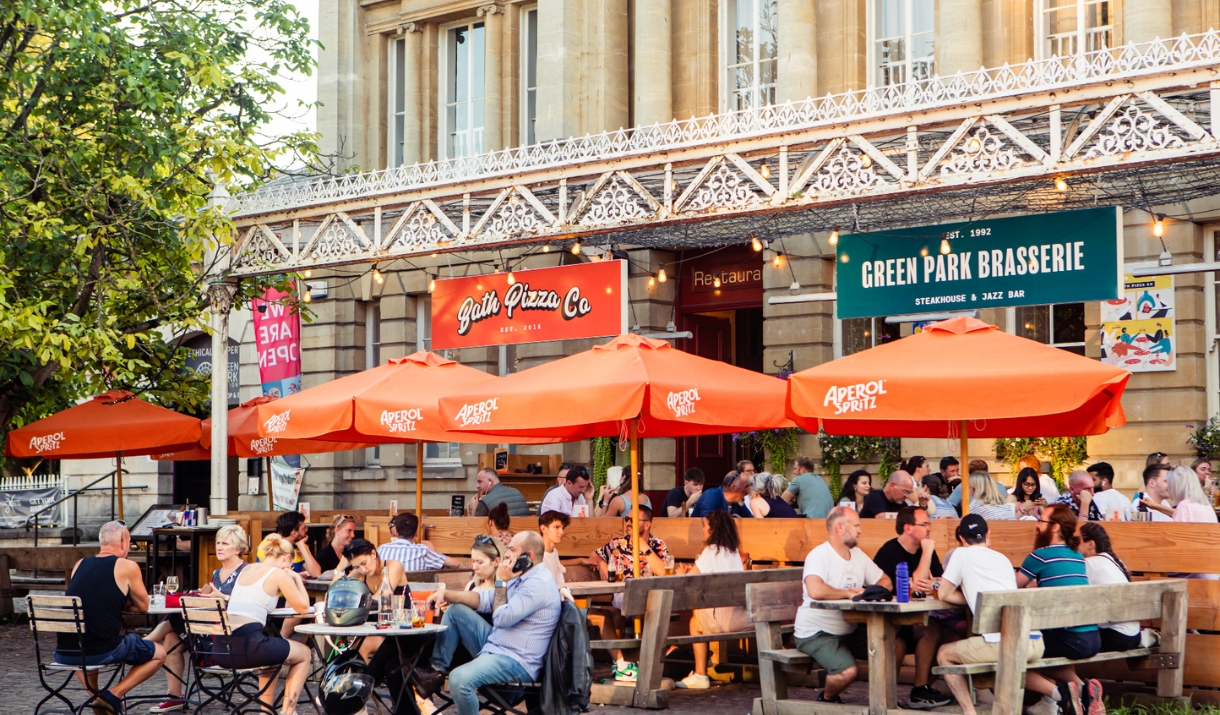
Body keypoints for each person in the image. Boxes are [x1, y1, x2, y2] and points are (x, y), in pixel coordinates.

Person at [416, 532, 562, 715]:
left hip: (517, 660)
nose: (507, 554)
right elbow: (484, 598)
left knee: (459, 680)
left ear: (529, 556)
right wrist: (446, 595)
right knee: (455, 611)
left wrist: (500, 580)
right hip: (498, 645)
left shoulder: (537, 584)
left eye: (512, 549)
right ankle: (435, 672)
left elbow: (500, 619)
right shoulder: (523, 576)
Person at [935, 515, 1061, 715]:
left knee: (944, 654)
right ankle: (1060, 693)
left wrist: (971, 597)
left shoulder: (960, 554)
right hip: (1035, 641)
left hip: (1004, 643)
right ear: (988, 535)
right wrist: (975, 597)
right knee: (1006, 662)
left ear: (962, 538)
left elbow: (943, 593)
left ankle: (970, 712)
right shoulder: (1003, 559)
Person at [52, 521, 167, 715]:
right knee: (160, 652)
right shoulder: (127, 566)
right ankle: (112, 695)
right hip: (103, 649)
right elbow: (144, 606)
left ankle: (95, 697)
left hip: (65, 651)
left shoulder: (80, 564)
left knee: (83, 642)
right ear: (123, 542)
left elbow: (91, 599)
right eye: (129, 543)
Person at [145, 524, 248, 713]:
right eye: (218, 542)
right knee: (171, 637)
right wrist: (200, 594)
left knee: (175, 623)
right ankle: (174, 696)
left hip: (230, 637)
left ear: (239, 548)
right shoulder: (217, 573)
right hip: (208, 631)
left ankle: (146, 641)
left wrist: (222, 597)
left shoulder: (246, 572)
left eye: (225, 543)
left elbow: (248, 604)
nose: (219, 547)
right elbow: (209, 597)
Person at [793, 507, 891, 703]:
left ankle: (884, 700)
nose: (860, 530)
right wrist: (847, 593)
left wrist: (871, 592)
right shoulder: (819, 555)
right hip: (816, 632)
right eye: (856, 526)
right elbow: (815, 590)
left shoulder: (858, 555)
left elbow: (886, 581)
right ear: (840, 527)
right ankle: (827, 698)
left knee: (894, 644)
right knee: (846, 672)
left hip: (850, 630)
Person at [1017, 504, 1103, 713]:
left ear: (1054, 528)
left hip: (1069, 638)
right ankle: (1084, 689)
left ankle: (1060, 695)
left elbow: (1013, 586)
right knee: (1046, 644)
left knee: (1018, 652)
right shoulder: (1077, 556)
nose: (1037, 525)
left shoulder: (1040, 555)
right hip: (1092, 638)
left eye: (1042, 521)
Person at [216, 533, 312, 714]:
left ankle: (265, 711)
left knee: (273, 652)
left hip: (222, 649)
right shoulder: (279, 574)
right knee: (304, 653)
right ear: (286, 558)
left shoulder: (246, 569)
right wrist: (297, 578)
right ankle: (288, 712)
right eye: (289, 563)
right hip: (248, 648)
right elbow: (304, 608)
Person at [870, 507, 950, 709]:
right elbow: (914, 588)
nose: (930, 529)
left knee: (941, 632)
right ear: (908, 528)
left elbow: (938, 580)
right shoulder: (889, 552)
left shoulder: (925, 552)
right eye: (925, 524)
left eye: (930, 524)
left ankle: (920, 691)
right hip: (888, 622)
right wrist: (928, 553)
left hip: (913, 619)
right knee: (911, 636)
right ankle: (889, 697)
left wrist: (933, 584)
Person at [589, 506, 670, 682]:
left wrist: (644, 548)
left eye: (633, 520)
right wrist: (603, 565)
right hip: (621, 595)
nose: (628, 523)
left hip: (650, 596)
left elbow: (663, 571)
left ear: (647, 524)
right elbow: (594, 556)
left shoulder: (658, 545)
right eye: (627, 519)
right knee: (617, 609)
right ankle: (622, 664)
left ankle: (632, 662)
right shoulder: (618, 543)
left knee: (635, 602)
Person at [675, 511, 751, 689]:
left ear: (712, 530)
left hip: (725, 622)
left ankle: (701, 674)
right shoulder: (733, 553)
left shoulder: (711, 551)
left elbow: (687, 581)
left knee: (695, 621)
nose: (703, 528)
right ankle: (705, 659)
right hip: (740, 614)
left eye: (705, 525)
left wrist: (680, 573)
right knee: (699, 612)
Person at [344, 539, 410, 664]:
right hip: (374, 629)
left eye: (364, 563)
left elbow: (380, 597)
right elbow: (336, 590)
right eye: (357, 566)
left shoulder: (393, 566)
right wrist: (340, 567)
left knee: (360, 645)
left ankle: (362, 681)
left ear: (373, 554)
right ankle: (360, 680)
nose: (363, 569)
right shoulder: (359, 573)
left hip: (399, 630)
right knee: (347, 643)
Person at [1078, 523, 1141, 652]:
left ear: (1091, 544)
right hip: (1134, 634)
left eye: (1077, 541)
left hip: (1115, 636)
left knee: (1070, 639)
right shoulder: (1115, 560)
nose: (1073, 545)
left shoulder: (1090, 563)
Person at [378, 512, 466, 571]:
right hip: (414, 596)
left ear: (396, 532)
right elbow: (456, 564)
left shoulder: (381, 549)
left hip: (386, 595)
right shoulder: (422, 551)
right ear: (416, 533)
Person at [256, 510, 322, 577]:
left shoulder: (301, 545)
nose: (306, 530)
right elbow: (269, 574)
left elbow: (316, 573)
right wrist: (295, 576)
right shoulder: (269, 544)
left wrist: (302, 546)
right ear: (294, 533)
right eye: (303, 528)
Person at [1150, 465, 1220, 525]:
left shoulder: (1185, 505)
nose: (1168, 487)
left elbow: (1178, 536)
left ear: (1178, 486)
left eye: (1170, 483)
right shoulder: (1205, 504)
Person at [538, 510, 570, 587]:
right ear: (543, 529)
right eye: (556, 527)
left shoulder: (554, 552)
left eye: (563, 528)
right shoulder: (537, 554)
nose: (561, 532)